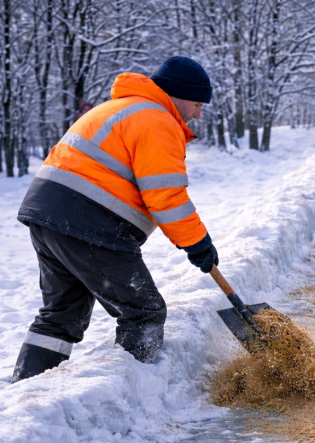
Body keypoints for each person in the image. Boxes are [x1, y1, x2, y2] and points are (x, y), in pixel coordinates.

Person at [12, 56, 220, 382]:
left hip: (47, 214)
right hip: (89, 222)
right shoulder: (156, 120)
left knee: (61, 315)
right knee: (144, 313)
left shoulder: (119, 108)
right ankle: (133, 398)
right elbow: (165, 196)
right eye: (196, 103)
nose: (197, 114)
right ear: (177, 94)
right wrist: (198, 243)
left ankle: (26, 394)